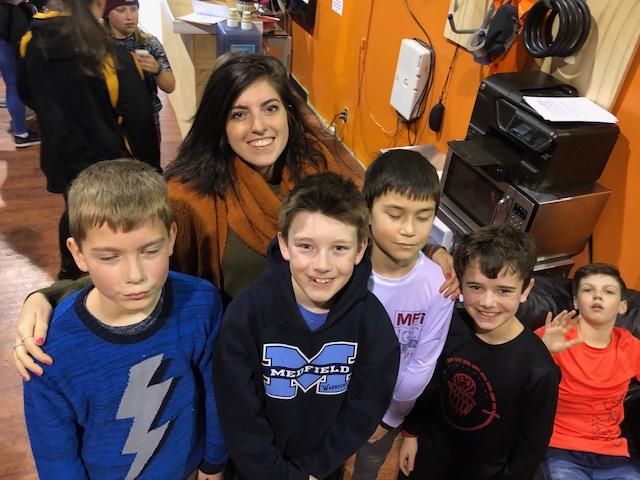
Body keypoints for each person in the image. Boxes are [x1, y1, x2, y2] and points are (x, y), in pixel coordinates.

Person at [12, 54, 456, 378]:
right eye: (239, 114)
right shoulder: (188, 197)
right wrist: (49, 297)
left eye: (270, 108)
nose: (259, 126)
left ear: (288, 112)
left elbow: (371, 225)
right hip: (238, 364)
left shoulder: (316, 171)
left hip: (319, 358)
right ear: (219, 123)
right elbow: (136, 262)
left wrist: (432, 250)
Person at [20, 159, 227, 480]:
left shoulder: (201, 303)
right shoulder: (49, 350)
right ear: (78, 253)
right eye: (110, 257)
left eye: (150, 251)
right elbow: (55, 454)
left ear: (171, 237)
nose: (135, 275)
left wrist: (214, 464)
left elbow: (217, 394)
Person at [213, 172, 400, 480]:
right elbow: (238, 414)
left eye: (339, 248)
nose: (322, 265)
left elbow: (364, 407)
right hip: (256, 472)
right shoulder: (246, 315)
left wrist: (314, 471)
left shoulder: (372, 323)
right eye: (306, 246)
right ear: (284, 244)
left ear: (360, 250)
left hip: (322, 470)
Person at [398, 224, 561, 480]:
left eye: (503, 290)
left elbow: (532, 446)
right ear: (460, 283)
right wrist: (411, 433)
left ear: (526, 290)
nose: (487, 302)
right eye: (475, 287)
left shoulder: (539, 370)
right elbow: (431, 383)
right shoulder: (450, 324)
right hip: (428, 456)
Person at [17, 0, 159, 280]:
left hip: (60, 152)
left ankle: (70, 271)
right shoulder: (110, 55)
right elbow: (140, 117)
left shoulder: (31, 39)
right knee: (114, 219)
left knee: (75, 209)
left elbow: (25, 91)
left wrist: (56, 117)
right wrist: (151, 169)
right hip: (107, 160)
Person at [351, 149, 455, 479]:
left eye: (423, 217)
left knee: (369, 464)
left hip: (387, 408)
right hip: (332, 395)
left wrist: (391, 418)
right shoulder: (344, 267)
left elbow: (423, 362)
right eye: (395, 215)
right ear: (367, 211)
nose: (409, 229)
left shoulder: (439, 285)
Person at [537, 263, 640, 479]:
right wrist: (543, 351)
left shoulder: (630, 346)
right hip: (559, 448)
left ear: (622, 306)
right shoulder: (553, 335)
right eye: (588, 290)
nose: (598, 296)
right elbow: (513, 383)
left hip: (612, 453)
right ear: (576, 302)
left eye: (608, 291)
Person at [102, 0, 175, 134]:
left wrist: (157, 70)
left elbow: (170, 86)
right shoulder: (97, 46)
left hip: (146, 122)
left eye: (134, 9)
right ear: (107, 14)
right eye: (121, 10)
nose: (129, 17)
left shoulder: (148, 43)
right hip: (108, 122)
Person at [0, 0, 40, 147]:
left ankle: (21, 131)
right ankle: (21, 134)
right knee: (14, 85)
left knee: (13, 84)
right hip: (7, 34)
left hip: (7, 32)